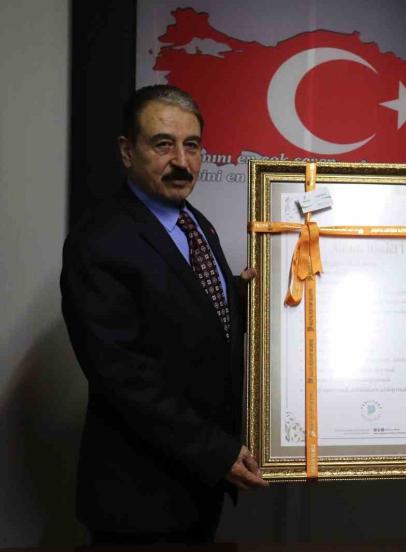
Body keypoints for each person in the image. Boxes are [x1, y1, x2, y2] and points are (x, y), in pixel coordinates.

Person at [60, 84, 267, 546]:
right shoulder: (99, 241)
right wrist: (216, 451)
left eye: (192, 145)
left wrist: (256, 299)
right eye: (163, 144)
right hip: (139, 503)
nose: (182, 161)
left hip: (197, 493)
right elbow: (124, 376)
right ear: (126, 151)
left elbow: (187, 315)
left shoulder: (195, 223)